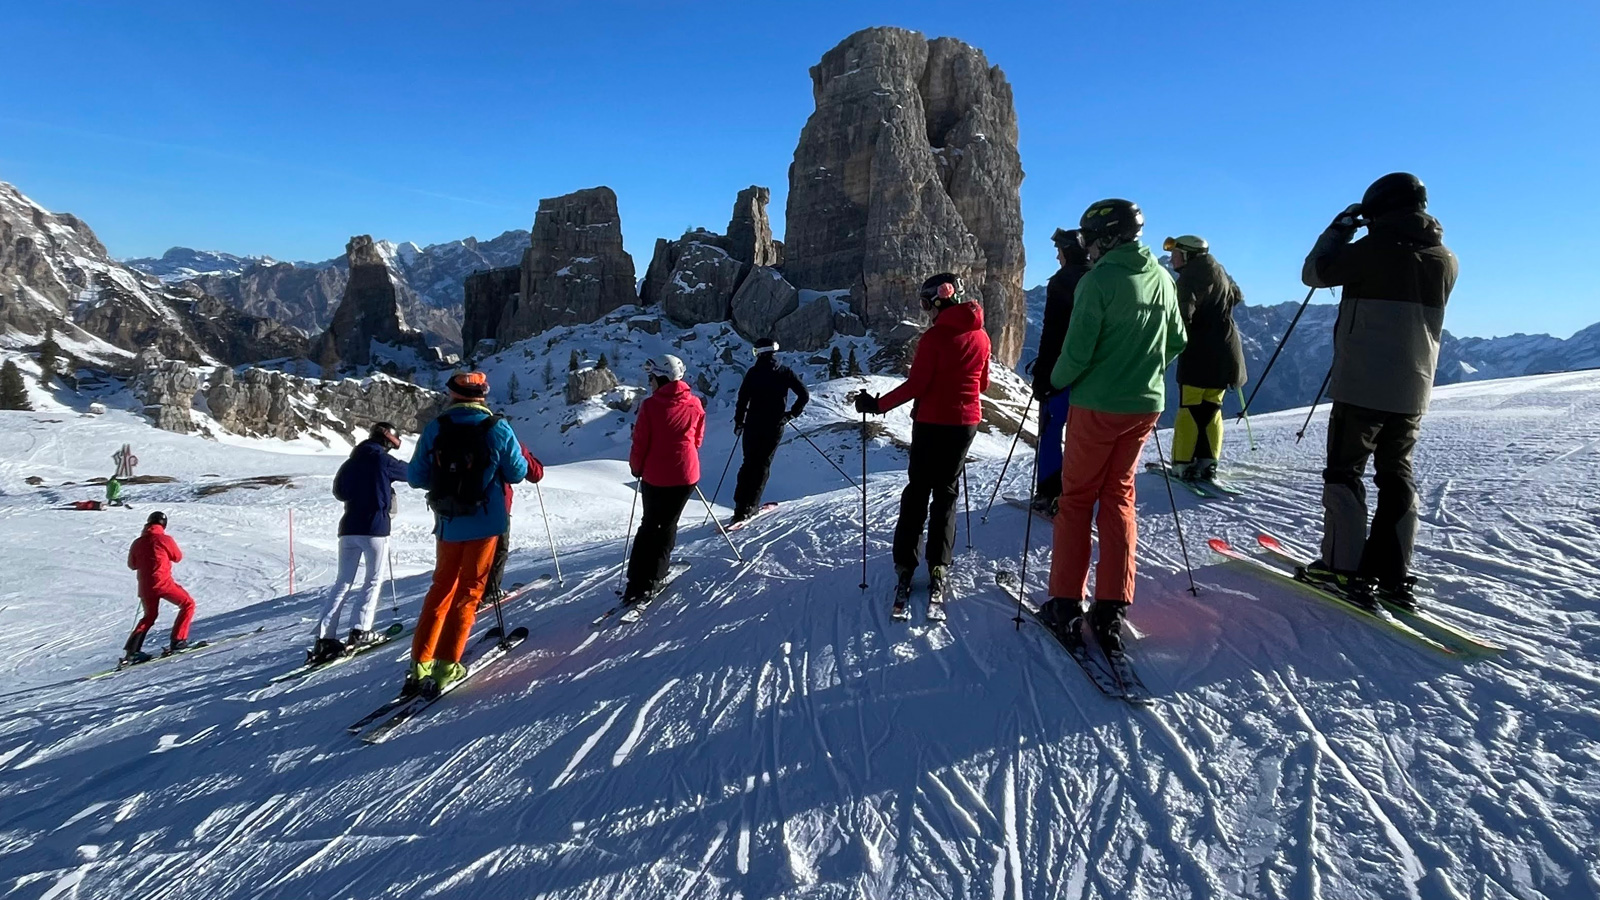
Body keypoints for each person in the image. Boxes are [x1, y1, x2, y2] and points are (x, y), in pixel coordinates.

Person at [1299, 172, 1457, 610]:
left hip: (1363, 384)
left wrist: (1339, 230)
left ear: (1379, 209)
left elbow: (1314, 273)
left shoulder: (1372, 250)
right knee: (1396, 474)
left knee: (1345, 472)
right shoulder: (1445, 258)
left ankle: (1340, 570)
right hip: (1413, 389)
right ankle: (1392, 571)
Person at [1038, 199, 1186, 656]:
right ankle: (1112, 607)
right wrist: (1141, 373)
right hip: (1145, 406)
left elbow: (1078, 353)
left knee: (1077, 499)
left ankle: (1065, 603)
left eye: (1089, 239)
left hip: (1097, 406)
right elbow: (1178, 340)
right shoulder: (1162, 277)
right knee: (1119, 496)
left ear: (1103, 239)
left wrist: (1051, 381)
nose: (1088, 247)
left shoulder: (1097, 281)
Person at [854, 273, 991, 606]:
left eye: (925, 303)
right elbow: (983, 385)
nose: (925, 310)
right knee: (946, 492)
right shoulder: (982, 336)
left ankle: (906, 564)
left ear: (936, 302)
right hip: (966, 424)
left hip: (931, 423)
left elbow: (915, 386)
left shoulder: (934, 339)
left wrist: (876, 405)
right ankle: (939, 566)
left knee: (917, 491)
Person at [405, 372, 530, 696]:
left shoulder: (437, 427)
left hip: (449, 521)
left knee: (441, 589)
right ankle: (448, 665)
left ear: (452, 395)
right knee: (470, 592)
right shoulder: (497, 428)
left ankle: (420, 663)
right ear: (483, 396)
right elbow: (517, 472)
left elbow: (416, 477)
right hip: (486, 523)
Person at [310, 422, 410, 664]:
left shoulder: (351, 462)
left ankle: (325, 638)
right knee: (373, 580)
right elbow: (410, 474)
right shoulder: (382, 460)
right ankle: (360, 630)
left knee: (342, 582)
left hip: (348, 528)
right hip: (375, 528)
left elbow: (340, 492)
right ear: (388, 441)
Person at [623, 355, 705, 604]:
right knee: (667, 526)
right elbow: (697, 440)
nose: (649, 383)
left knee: (649, 526)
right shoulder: (695, 403)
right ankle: (654, 577)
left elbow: (640, 443)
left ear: (662, 378)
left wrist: (636, 468)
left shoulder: (650, 406)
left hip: (656, 477)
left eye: (651, 378)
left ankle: (638, 583)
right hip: (685, 475)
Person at [1165, 234, 1247, 483]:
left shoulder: (1189, 277)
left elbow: (1182, 314)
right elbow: (1237, 296)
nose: (1171, 258)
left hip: (1200, 353)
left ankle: (1183, 464)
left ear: (1188, 255)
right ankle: (1208, 462)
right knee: (1212, 408)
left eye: (1176, 253)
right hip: (1227, 352)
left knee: (1189, 407)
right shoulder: (1217, 269)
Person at [1031, 228, 1093, 513]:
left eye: (1059, 251)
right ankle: (1080, 490)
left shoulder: (1061, 282)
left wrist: (1043, 373)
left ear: (1068, 251)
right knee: (1084, 435)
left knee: (1051, 429)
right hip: (1094, 375)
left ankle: (1049, 492)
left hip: (1061, 370)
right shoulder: (1096, 277)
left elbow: (1052, 332)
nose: (1057, 256)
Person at [730, 338, 809, 524]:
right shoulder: (784, 371)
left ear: (758, 352)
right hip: (774, 425)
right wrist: (790, 415)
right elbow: (804, 394)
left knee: (748, 463)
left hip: (752, 424)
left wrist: (739, 421)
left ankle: (740, 507)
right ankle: (751, 506)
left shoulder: (753, 372)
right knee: (762, 465)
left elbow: (742, 399)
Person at [124, 511, 196, 662]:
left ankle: (132, 651)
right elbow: (177, 557)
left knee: (149, 616)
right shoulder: (164, 539)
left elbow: (132, 565)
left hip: (145, 586)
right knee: (188, 604)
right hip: (163, 583)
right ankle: (178, 641)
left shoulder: (138, 542)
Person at [482, 444, 545, 607]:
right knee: (497, 550)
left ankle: (462, 595)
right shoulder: (502, 436)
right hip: (496, 506)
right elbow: (534, 473)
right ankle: (490, 592)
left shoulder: (455, 432)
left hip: (456, 509)